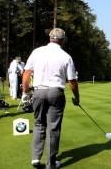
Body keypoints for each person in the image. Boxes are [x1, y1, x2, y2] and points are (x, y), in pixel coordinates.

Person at [22, 28, 80, 169]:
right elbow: (72, 81)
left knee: (38, 124)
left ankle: (36, 158)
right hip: (56, 92)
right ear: (62, 40)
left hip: (38, 91)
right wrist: (77, 97)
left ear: (50, 38)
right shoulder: (66, 56)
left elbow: (27, 73)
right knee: (53, 129)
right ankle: (51, 164)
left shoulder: (37, 52)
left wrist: (25, 91)